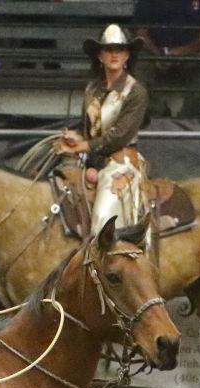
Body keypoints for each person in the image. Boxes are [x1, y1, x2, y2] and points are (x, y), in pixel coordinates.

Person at [57, 24, 150, 234]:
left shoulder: (136, 92)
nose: (114, 54)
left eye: (120, 49)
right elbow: (89, 130)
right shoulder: (92, 89)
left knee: (103, 220)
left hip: (121, 164)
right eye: (109, 49)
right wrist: (75, 138)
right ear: (100, 56)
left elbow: (118, 137)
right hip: (93, 161)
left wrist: (81, 146)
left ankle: (106, 261)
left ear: (127, 55)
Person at [133, 0, 200, 117]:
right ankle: (156, 111)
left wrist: (177, 53)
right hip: (154, 53)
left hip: (191, 54)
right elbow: (141, 36)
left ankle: (188, 115)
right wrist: (159, 55)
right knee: (135, 62)